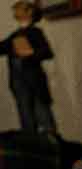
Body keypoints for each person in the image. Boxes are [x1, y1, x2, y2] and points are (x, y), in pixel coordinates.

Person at [5, 0, 55, 137]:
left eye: (19, 11)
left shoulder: (35, 32)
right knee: (25, 116)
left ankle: (51, 145)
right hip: (19, 81)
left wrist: (31, 54)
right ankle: (31, 145)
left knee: (43, 114)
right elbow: (3, 46)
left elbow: (47, 52)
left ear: (29, 14)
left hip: (34, 81)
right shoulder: (16, 34)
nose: (16, 15)